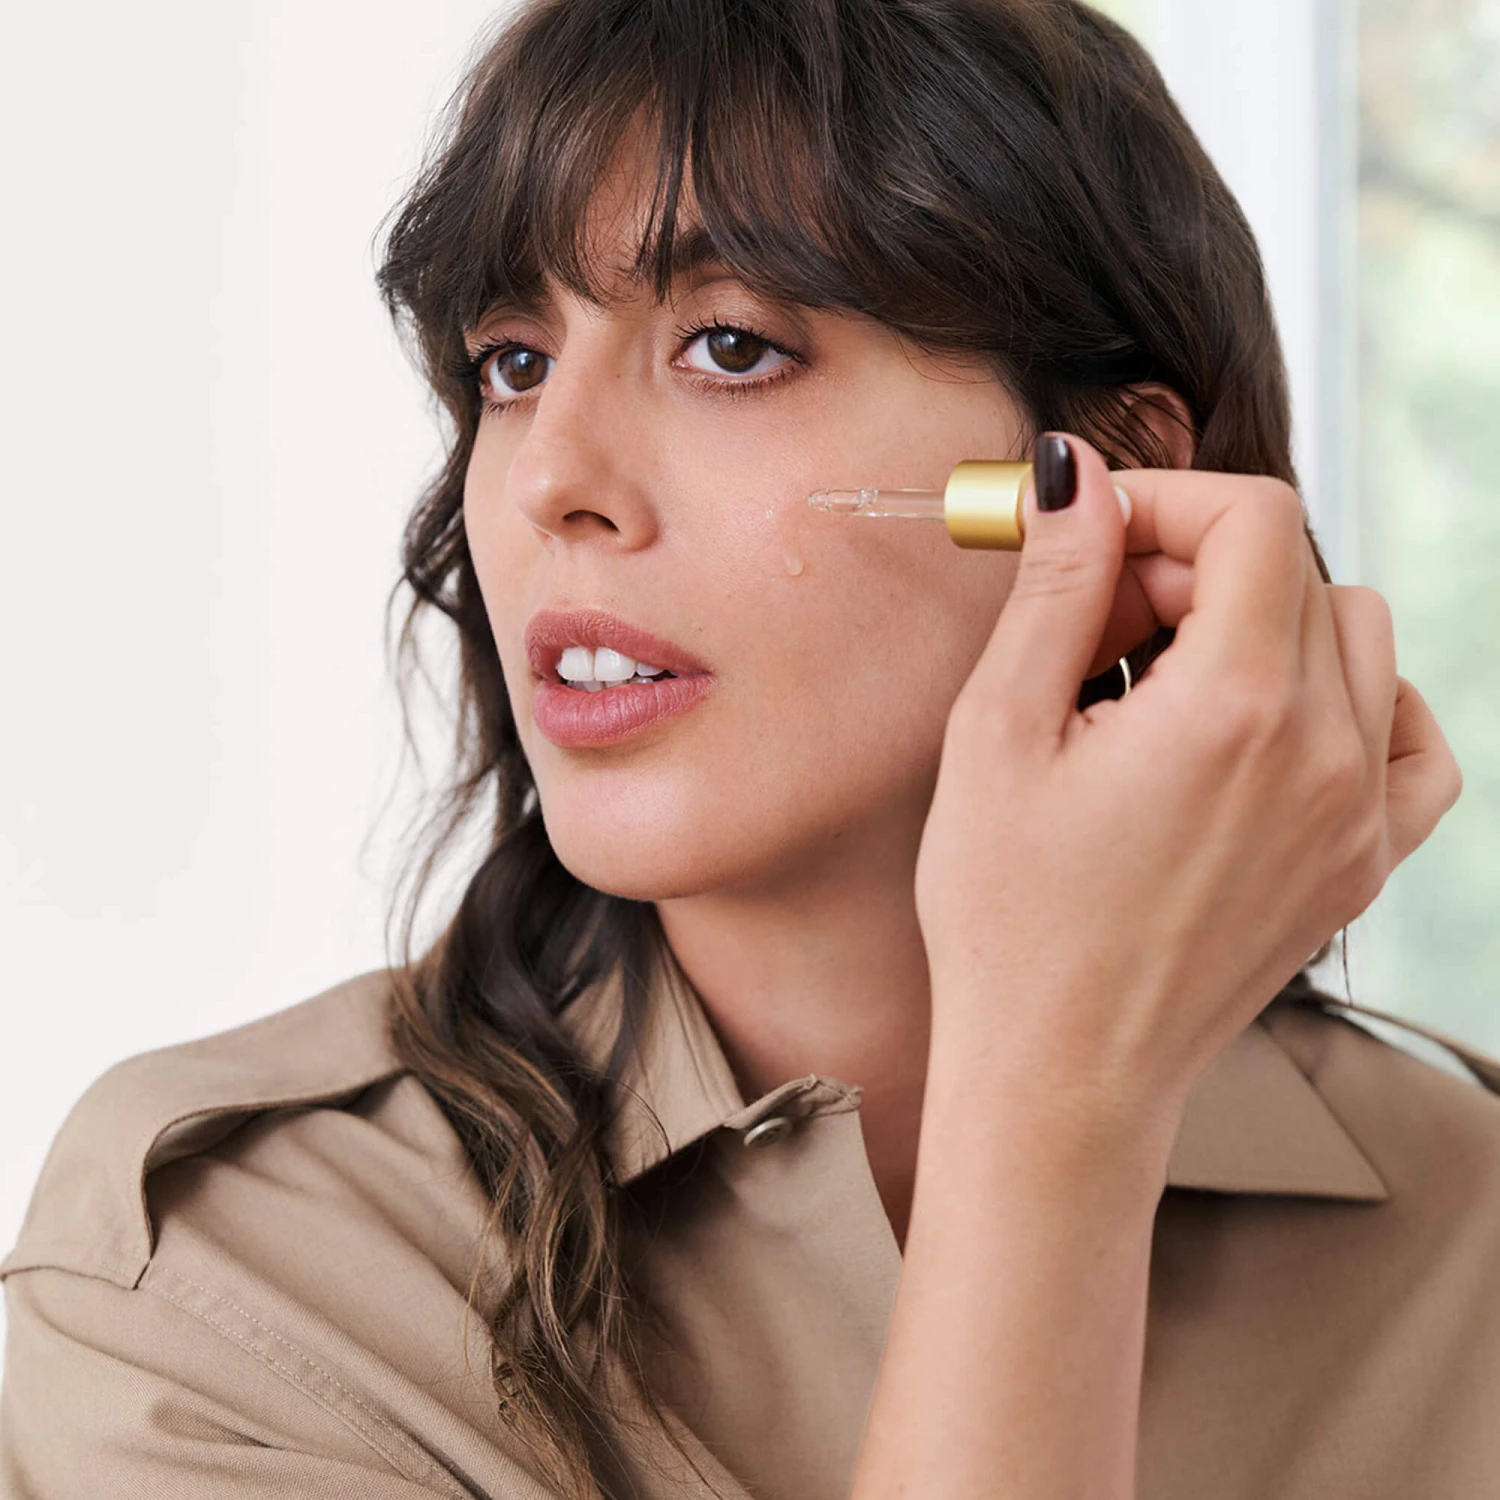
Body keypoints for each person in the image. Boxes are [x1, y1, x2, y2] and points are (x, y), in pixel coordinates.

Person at [2, 0, 1495, 1496]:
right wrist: (1060, 1113)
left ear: (1102, 482)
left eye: (729, 347)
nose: (548, 477)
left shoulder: (1470, 1236)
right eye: (512, 363)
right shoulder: (220, 1282)